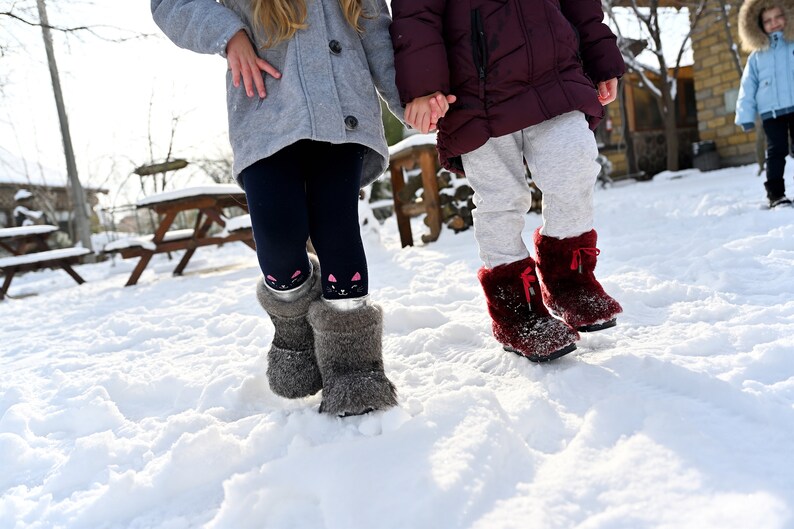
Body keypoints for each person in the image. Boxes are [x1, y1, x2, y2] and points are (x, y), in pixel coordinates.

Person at [151, 0, 446, 416]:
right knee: (277, 240)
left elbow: (376, 33)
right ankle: (295, 333)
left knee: (337, 231)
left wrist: (409, 102)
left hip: (343, 111)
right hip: (265, 110)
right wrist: (229, 36)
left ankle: (355, 372)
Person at [390, 0, 625, 361]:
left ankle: (569, 279)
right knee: (501, 198)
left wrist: (600, 55)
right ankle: (517, 311)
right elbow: (417, 13)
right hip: (473, 93)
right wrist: (423, 86)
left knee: (574, 163)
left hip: (554, 75)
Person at [736, 0, 794, 208]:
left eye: (779, 16)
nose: (774, 23)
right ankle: (776, 195)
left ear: (788, 15)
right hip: (772, 113)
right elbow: (747, 88)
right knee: (776, 152)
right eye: (767, 20)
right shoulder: (757, 57)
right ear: (758, 26)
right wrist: (745, 115)